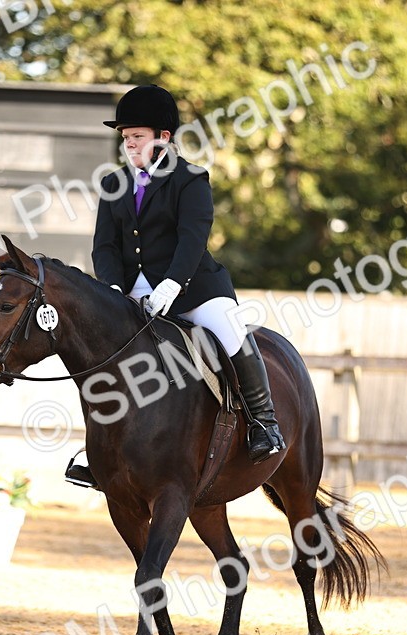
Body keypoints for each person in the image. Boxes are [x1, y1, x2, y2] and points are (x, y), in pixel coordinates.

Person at [64, 84, 285, 490]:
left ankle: (263, 423)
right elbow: (104, 246)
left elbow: (192, 238)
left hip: (192, 286)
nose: (128, 146)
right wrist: (113, 288)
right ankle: (96, 450)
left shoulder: (191, 179)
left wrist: (171, 285)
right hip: (131, 291)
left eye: (137, 138)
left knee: (229, 330)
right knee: (101, 352)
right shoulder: (114, 184)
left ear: (163, 137)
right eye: (125, 139)